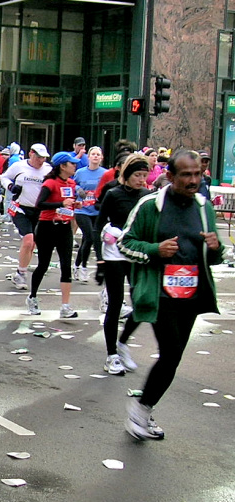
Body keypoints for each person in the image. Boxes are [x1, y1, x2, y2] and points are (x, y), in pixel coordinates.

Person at [119, 150, 224, 440]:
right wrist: (155, 250)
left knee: (173, 358)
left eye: (197, 174)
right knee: (170, 353)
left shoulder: (203, 207)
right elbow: (125, 243)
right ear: (170, 176)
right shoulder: (150, 205)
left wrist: (215, 248)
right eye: (186, 175)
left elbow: (214, 257)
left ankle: (143, 409)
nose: (193, 180)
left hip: (190, 294)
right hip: (158, 294)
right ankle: (139, 412)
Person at [93, 153, 151, 375]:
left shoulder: (147, 196)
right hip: (114, 252)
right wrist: (99, 259)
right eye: (137, 174)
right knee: (115, 304)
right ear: (127, 174)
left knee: (142, 303)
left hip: (136, 251)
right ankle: (111, 356)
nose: (141, 179)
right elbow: (98, 226)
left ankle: (123, 342)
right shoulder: (113, 194)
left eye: (144, 175)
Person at [25, 152, 81, 318]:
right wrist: (60, 203)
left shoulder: (71, 183)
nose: (75, 166)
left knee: (66, 266)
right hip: (47, 227)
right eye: (72, 164)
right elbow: (39, 204)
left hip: (64, 227)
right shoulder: (50, 183)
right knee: (44, 264)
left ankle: (65, 306)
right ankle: (32, 296)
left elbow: (67, 202)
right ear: (62, 166)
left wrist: (73, 205)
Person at [0, 144, 51, 290]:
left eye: (43, 158)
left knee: (32, 243)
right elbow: (4, 177)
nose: (41, 161)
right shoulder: (19, 166)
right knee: (28, 240)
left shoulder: (48, 169)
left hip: (39, 210)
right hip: (20, 208)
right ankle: (21, 274)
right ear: (30, 154)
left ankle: (21, 270)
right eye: (38, 157)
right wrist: (10, 186)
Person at [72, 146, 106, 283]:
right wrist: (78, 189)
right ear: (89, 157)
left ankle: (76, 265)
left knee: (90, 239)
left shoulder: (105, 173)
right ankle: (84, 268)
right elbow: (71, 184)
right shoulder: (80, 172)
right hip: (82, 210)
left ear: (102, 157)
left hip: (97, 210)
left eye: (98, 154)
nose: (96, 156)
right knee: (89, 237)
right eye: (93, 154)